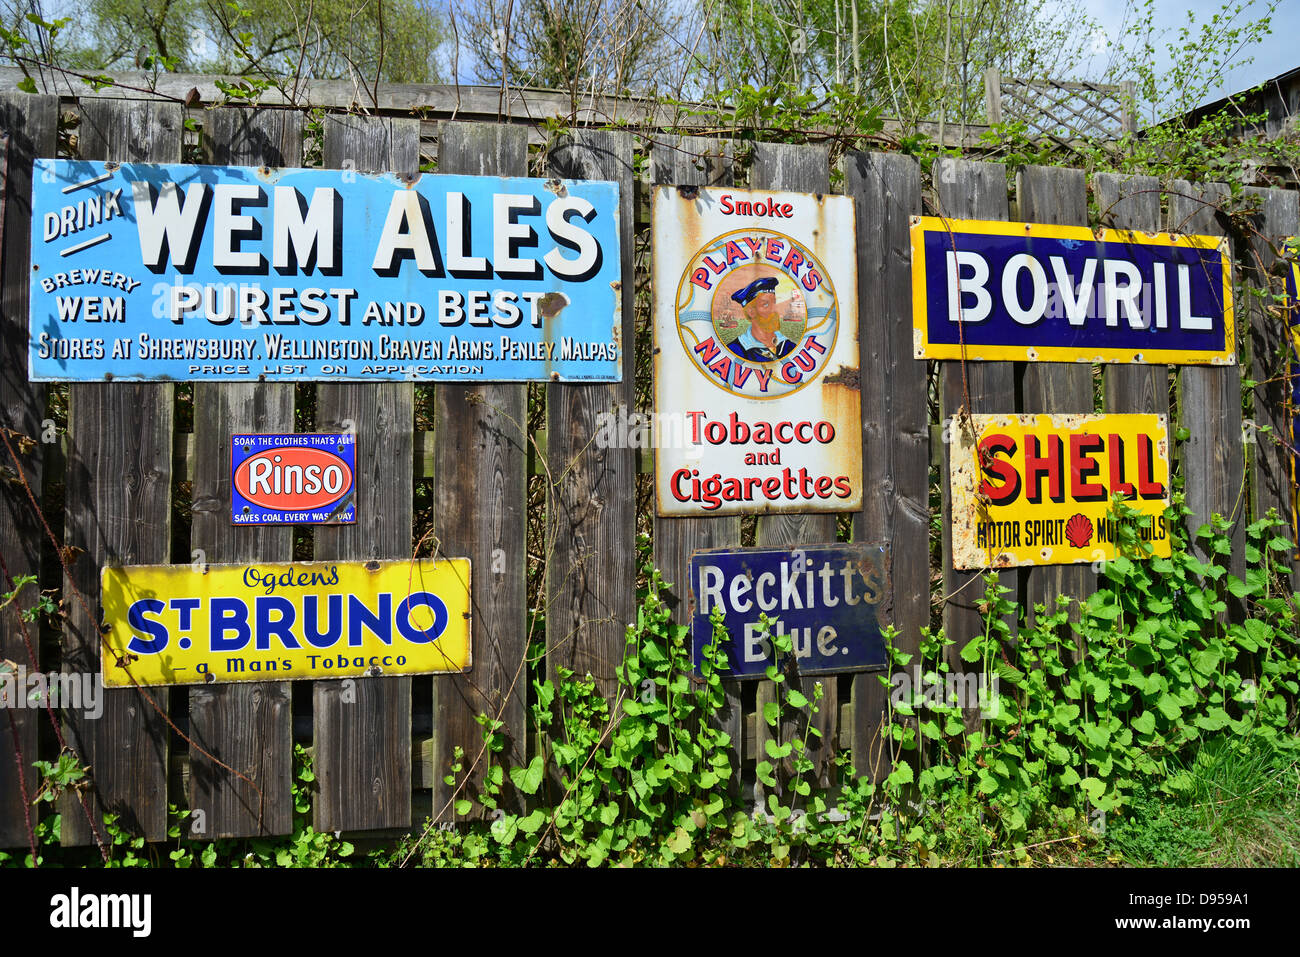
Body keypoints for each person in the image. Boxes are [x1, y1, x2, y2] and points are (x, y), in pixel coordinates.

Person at [724, 276, 796, 362]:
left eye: (774, 303)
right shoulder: (736, 350)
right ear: (751, 312)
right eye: (765, 305)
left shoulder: (788, 346)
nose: (774, 310)